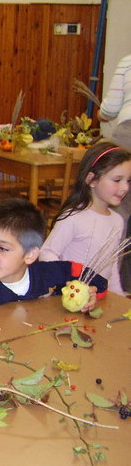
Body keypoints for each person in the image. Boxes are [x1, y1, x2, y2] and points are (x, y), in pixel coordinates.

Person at [0, 198, 108, 311]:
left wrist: (90, 295)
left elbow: (97, 281)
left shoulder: (50, 273)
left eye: (2, 248)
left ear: (30, 254)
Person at [39, 140, 131, 294]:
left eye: (128, 180)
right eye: (117, 180)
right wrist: (68, 283)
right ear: (91, 179)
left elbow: (111, 264)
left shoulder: (117, 221)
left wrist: (118, 296)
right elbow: (47, 252)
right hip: (70, 297)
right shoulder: (73, 217)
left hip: (99, 297)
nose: (125, 188)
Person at [98, 54, 131, 290]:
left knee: (119, 214)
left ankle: (114, 285)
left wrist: (102, 115)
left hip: (128, 135)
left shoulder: (127, 62)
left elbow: (108, 109)